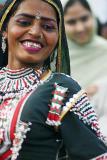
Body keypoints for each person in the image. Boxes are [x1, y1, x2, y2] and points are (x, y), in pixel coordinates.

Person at [0, 0, 107, 160]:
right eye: (24, 22)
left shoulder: (61, 89)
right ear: (4, 30)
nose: (35, 32)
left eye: (48, 27)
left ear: (58, 37)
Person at [64, 0, 107, 138]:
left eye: (84, 19)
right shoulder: (55, 57)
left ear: (93, 17)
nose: (80, 28)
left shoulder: (104, 50)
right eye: (71, 22)